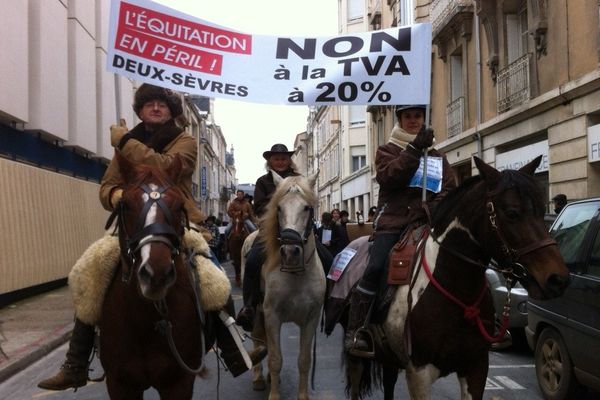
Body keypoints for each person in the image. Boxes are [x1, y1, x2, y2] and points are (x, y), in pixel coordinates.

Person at [38, 84, 266, 391]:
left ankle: (233, 349)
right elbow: (106, 187)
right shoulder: (125, 148)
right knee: (89, 271)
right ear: (140, 110)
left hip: (178, 223)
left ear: (172, 111)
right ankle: (76, 363)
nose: (156, 108)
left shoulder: (183, 141)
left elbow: (164, 168)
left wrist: (126, 141)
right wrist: (117, 194)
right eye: (149, 104)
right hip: (134, 224)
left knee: (213, 276)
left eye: (163, 104)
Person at [344, 104, 457, 358]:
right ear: (400, 120)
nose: (414, 121)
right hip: (393, 224)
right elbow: (390, 177)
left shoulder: (437, 155)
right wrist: (415, 148)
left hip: (429, 223)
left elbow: (450, 188)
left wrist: (435, 207)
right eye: (408, 116)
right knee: (374, 268)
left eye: (418, 116)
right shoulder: (387, 151)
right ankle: (358, 329)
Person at [235, 144, 301, 330]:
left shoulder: (299, 179)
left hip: (297, 228)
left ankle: (330, 301)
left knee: (326, 258)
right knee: (253, 260)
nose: (280, 162)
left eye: (283, 158)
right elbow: (259, 207)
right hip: (271, 229)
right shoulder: (263, 181)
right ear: (269, 162)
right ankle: (248, 306)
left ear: (289, 160)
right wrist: (282, 197)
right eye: (276, 159)